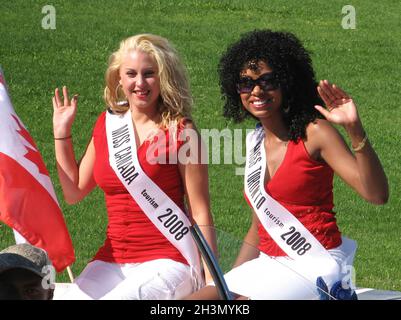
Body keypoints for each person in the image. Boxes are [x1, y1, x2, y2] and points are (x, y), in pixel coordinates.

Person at [186, 29, 389, 300]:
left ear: (287, 82)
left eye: (268, 81)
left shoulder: (315, 133)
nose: (256, 90)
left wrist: (355, 129)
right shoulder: (255, 140)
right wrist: (227, 287)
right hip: (269, 264)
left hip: (315, 264)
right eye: (246, 83)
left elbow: (376, 195)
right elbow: (260, 227)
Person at [52, 34, 216, 300]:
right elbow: (74, 191)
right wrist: (61, 133)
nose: (140, 83)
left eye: (149, 73)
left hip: (169, 260)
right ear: (119, 78)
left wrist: (212, 281)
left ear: (163, 77)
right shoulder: (109, 124)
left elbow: (200, 211)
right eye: (131, 74)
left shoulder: (180, 131)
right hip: (112, 258)